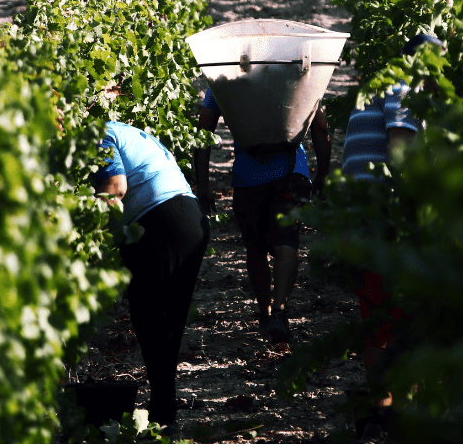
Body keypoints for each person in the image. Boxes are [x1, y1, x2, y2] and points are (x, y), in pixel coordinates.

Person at [342, 32, 441, 437]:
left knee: (378, 318)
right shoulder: (404, 87)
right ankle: (403, 413)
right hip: (385, 218)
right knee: (408, 316)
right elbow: (401, 153)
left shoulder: (375, 91)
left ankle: (382, 412)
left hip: (359, 218)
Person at [92, 120, 209, 427]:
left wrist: (89, 235)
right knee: (163, 322)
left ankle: (162, 413)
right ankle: (163, 411)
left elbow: (115, 187)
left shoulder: (99, 134)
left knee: (152, 319)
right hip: (188, 218)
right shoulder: (117, 129)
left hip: (162, 220)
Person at [193, 89, 331, 344]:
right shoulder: (296, 68)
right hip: (292, 171)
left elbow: (204, 128)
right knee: (286, 241)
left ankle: (265, 313)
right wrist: (323, 171)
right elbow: (320, 125)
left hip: (248, 175)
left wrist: (203, 183)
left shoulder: (227, 73)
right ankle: (280, 310)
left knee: (254, 247)